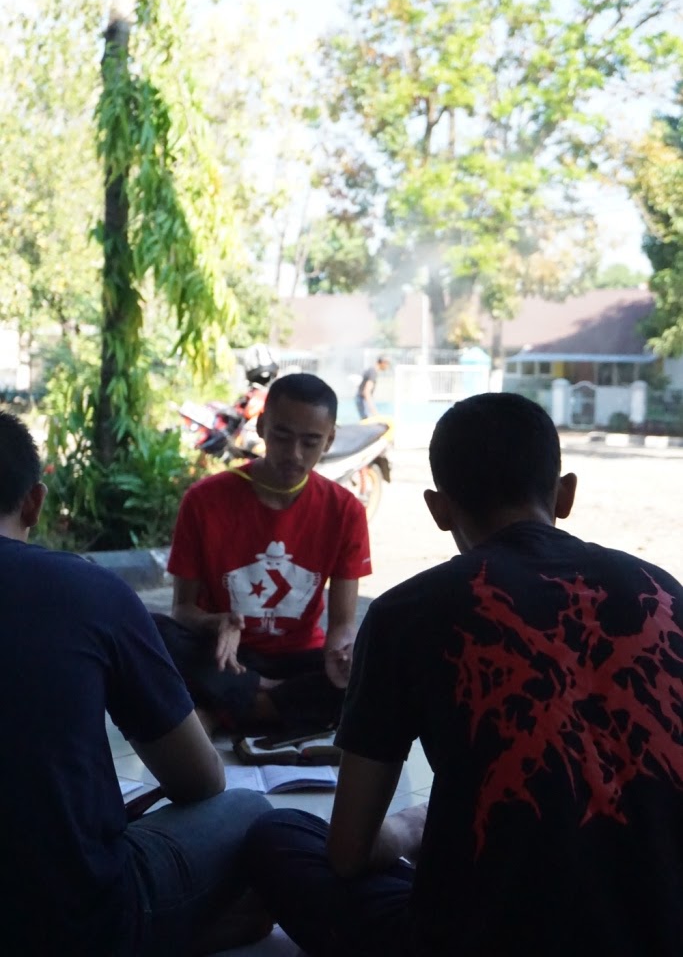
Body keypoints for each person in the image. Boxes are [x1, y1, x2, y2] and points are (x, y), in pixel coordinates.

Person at [245, 392, 683, 957]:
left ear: (439, 509)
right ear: (565, 494)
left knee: (279, 835)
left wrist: (414, 827)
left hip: (476, 939)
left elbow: (349, 853)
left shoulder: (409, 611)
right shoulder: (664, 594)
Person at [0, 410, 272, 957]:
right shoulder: (86, 590)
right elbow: (200, 782)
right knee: (250, 812)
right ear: (34, 502)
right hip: (73, 918)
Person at [154, 372, 371, 735]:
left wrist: (344, 654)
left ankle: (226, 709)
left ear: (330, 440)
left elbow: (342, 625)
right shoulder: (204, 500)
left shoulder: (345, 510)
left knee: (372, 675)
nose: (294, 454)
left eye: (310, 441)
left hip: (298, 661)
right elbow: (182, 611)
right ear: (261, 427)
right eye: (282, 436)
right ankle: (270, 702)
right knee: (151, 632)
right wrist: (216, 622)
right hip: (224, 656)